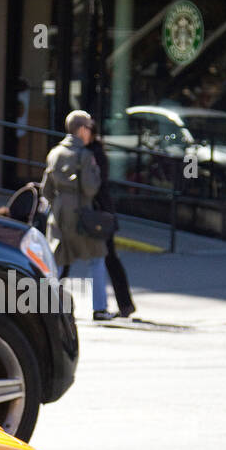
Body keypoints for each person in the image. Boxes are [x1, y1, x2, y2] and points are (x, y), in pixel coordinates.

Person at [42, 110, 114, 320]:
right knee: (97, 257)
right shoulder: (85, 155)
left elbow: (46, 190)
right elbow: (90, 188)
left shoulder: (55, 153)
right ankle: (99, 308)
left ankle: (45, 305)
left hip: (58, 213)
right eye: (89, 127)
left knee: (57, 261)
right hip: (81, 213)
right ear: (82, 129)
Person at [87, 131, 136, 318]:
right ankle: (125, 304)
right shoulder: (91, 151)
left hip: (98, 214)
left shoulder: (93, 153)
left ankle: (124, 304)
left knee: (107, 257)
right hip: (98, 212)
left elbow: (96, 184)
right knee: (108, 258)